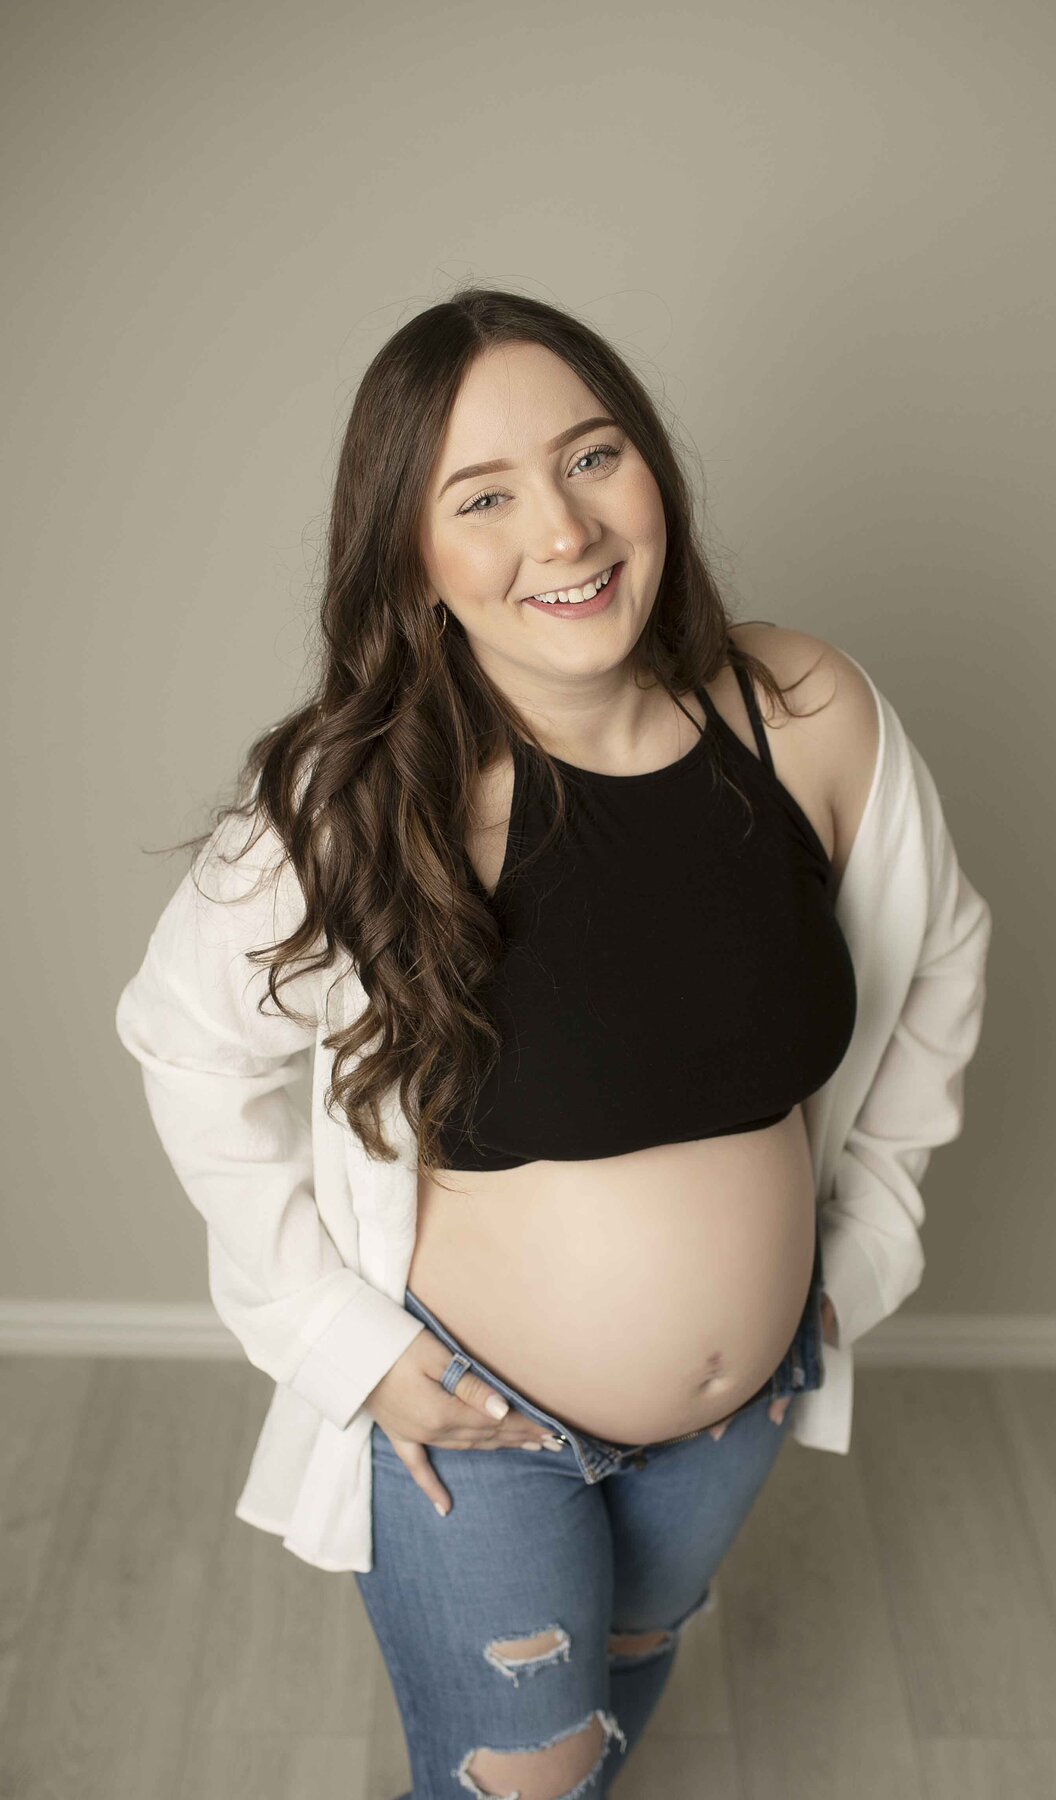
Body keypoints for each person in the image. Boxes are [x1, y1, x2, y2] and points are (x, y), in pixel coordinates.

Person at [115, 287, 993, 1798]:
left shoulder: (803, 711)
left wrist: (860, 1255)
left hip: (739, 1414)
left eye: (594, 458)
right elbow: (186, 1043)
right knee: (522, 1776)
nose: (566, 532)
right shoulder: (352, 801)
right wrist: (348, 1349)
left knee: (617, 1691)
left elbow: (942, 959)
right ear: (413, 553)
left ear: (654, 467)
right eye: (484, 496)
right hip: (475, 1431)